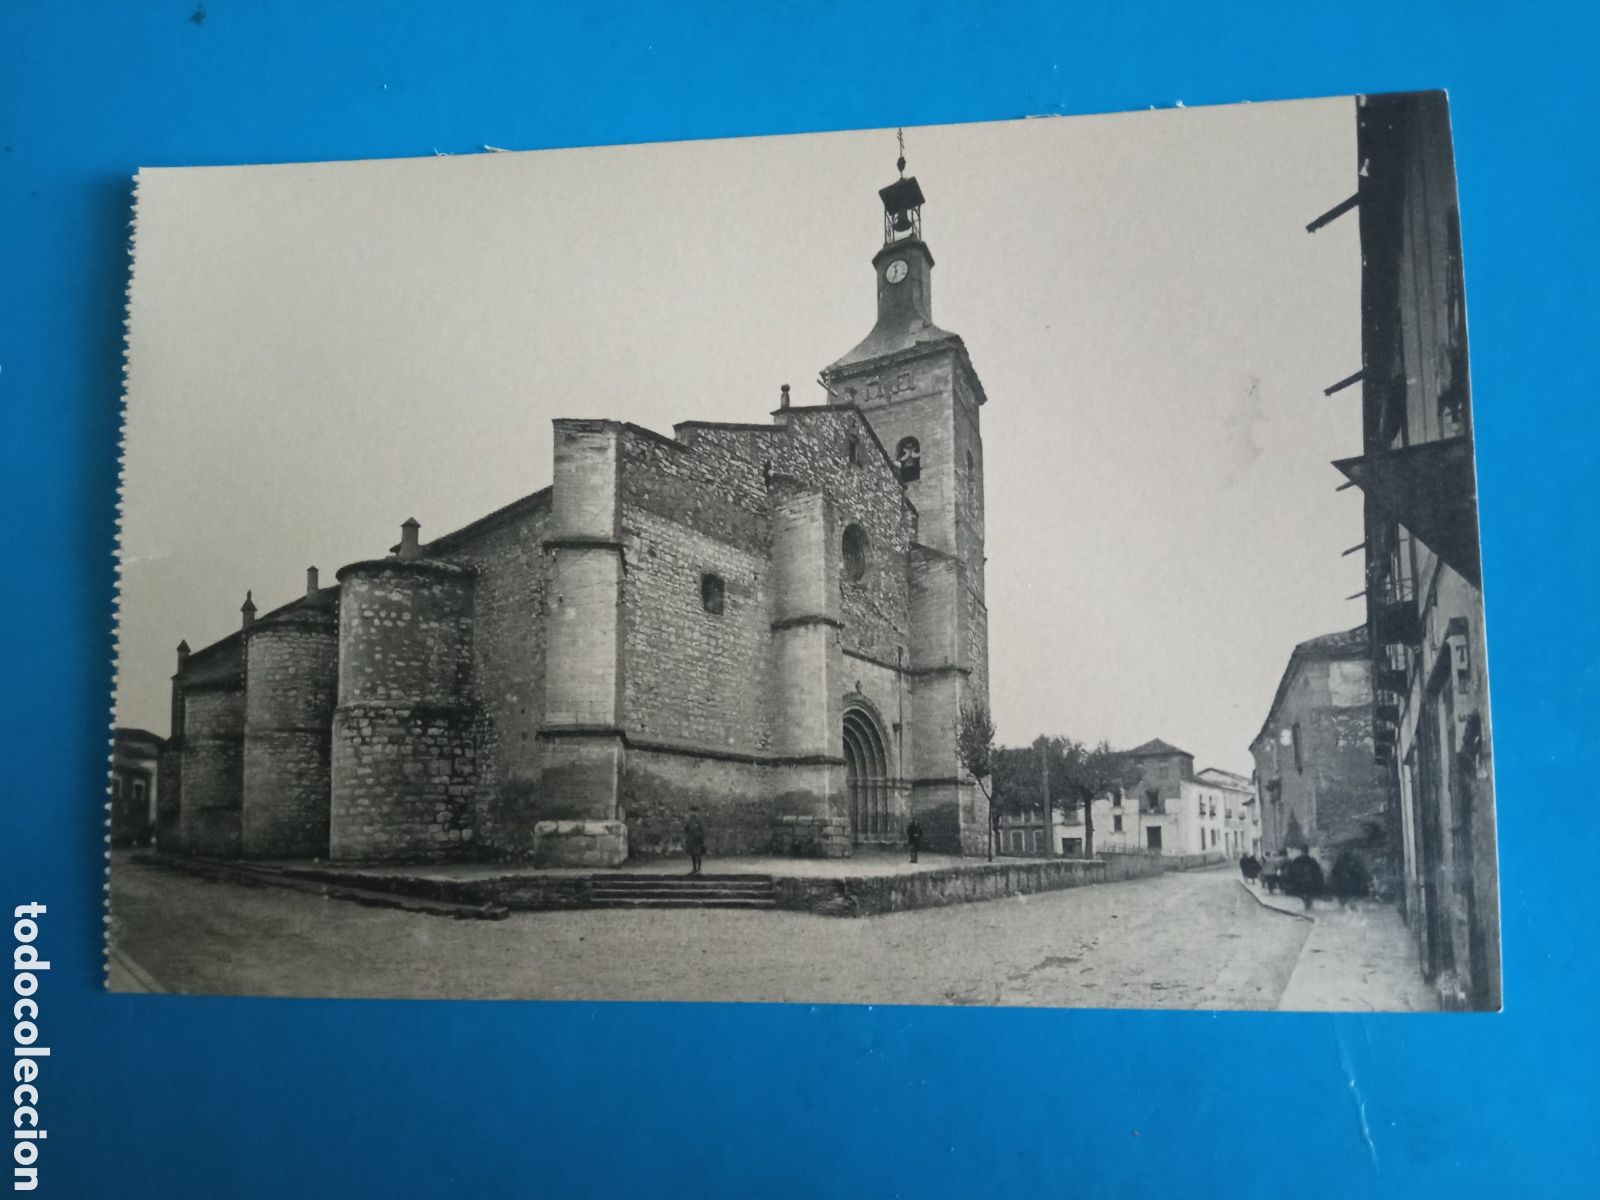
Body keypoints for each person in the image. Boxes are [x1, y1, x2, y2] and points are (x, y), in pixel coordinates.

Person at [1283, 844, 1325, 912]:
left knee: (1304, 895)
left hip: (1300, 881)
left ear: (1301, 851)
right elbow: (1318, 872)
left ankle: (1307, 908)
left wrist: (1292, 880)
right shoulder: (1312, 860)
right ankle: (1309, 908)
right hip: (1310, 881)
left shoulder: (1297, 860)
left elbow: (1292, 871)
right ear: (1308, 851)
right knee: (1309, 895)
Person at [684, 807, 707, 876]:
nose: (692, 813)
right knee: (693, 855)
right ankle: (694, 868)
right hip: (691, 840)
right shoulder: (690, 820)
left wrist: (701, 838)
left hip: (698, 840)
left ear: (696, 813)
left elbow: (703, 830)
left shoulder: (699, 820)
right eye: (691, 812)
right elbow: (686, 829)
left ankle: (699, 869)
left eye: (694, 812)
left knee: (698, 854)